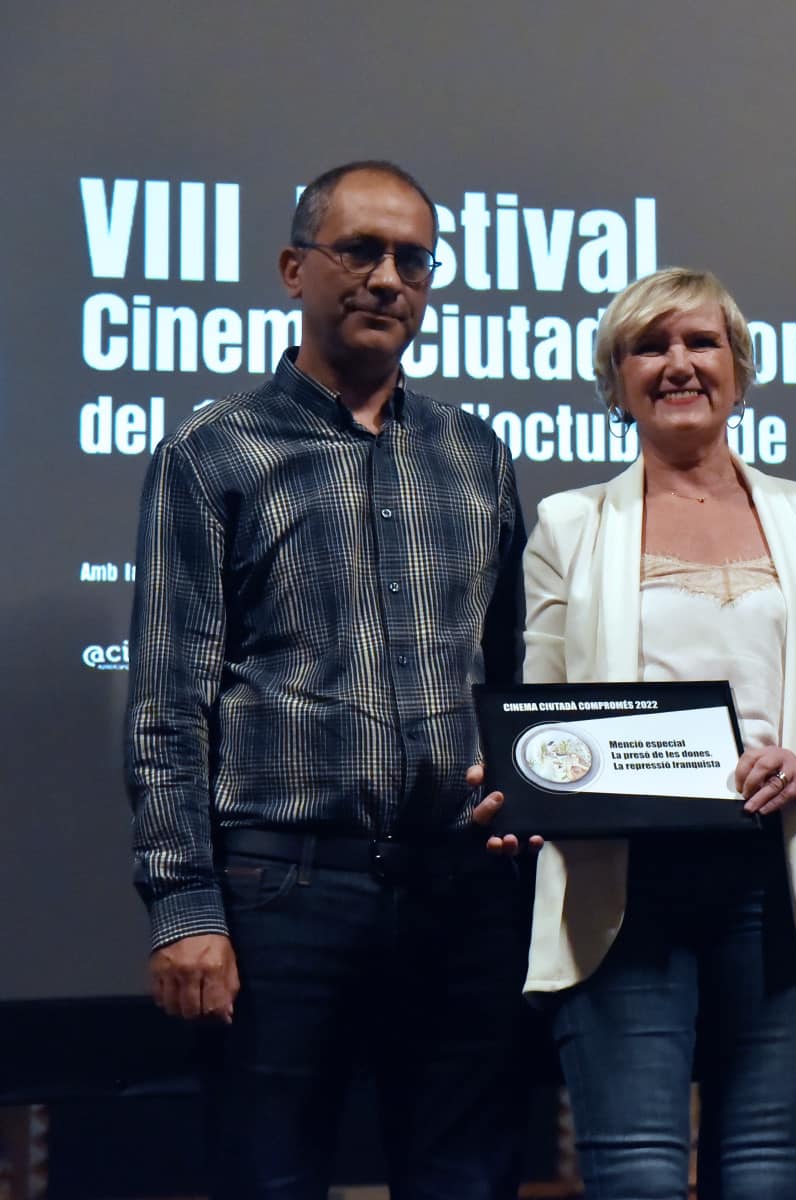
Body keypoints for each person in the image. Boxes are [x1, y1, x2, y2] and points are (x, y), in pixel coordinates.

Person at [125, 160, 529, 1196]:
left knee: (464, 1180)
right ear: (294, 268)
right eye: (360, 250)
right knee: (269, 1178)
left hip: (458, 890)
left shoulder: (475, 456)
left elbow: (512, 667)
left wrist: (528, 794)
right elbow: (169, 702)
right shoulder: (213, 453)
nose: (388, 279)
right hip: (280, 891)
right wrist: (185, 908)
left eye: (413, 260)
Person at [475, 267, 796, 1198]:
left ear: (738, 369)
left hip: (777, 889)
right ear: (615, 381)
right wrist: (521, 787)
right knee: (640, 1182)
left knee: (760, 1182)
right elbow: (541, 710)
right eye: (648, 347)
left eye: (701, 343)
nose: (677, 364)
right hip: (624, 893)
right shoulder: (569, 524)